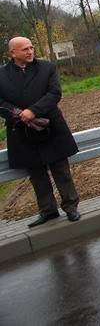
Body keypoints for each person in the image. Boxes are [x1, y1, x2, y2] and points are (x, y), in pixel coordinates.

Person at [0, 37, 80, 227]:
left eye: (31, 47)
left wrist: (33, 111)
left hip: (51, 127)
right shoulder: (1, 74)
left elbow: (54, 93)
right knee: (37, 175)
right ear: (12, 53)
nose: (30, 51)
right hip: (21, 130)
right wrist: (19, 114)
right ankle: (48, 211)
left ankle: (71, 207)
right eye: (25, 49)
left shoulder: (46, 67)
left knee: (61, 171)